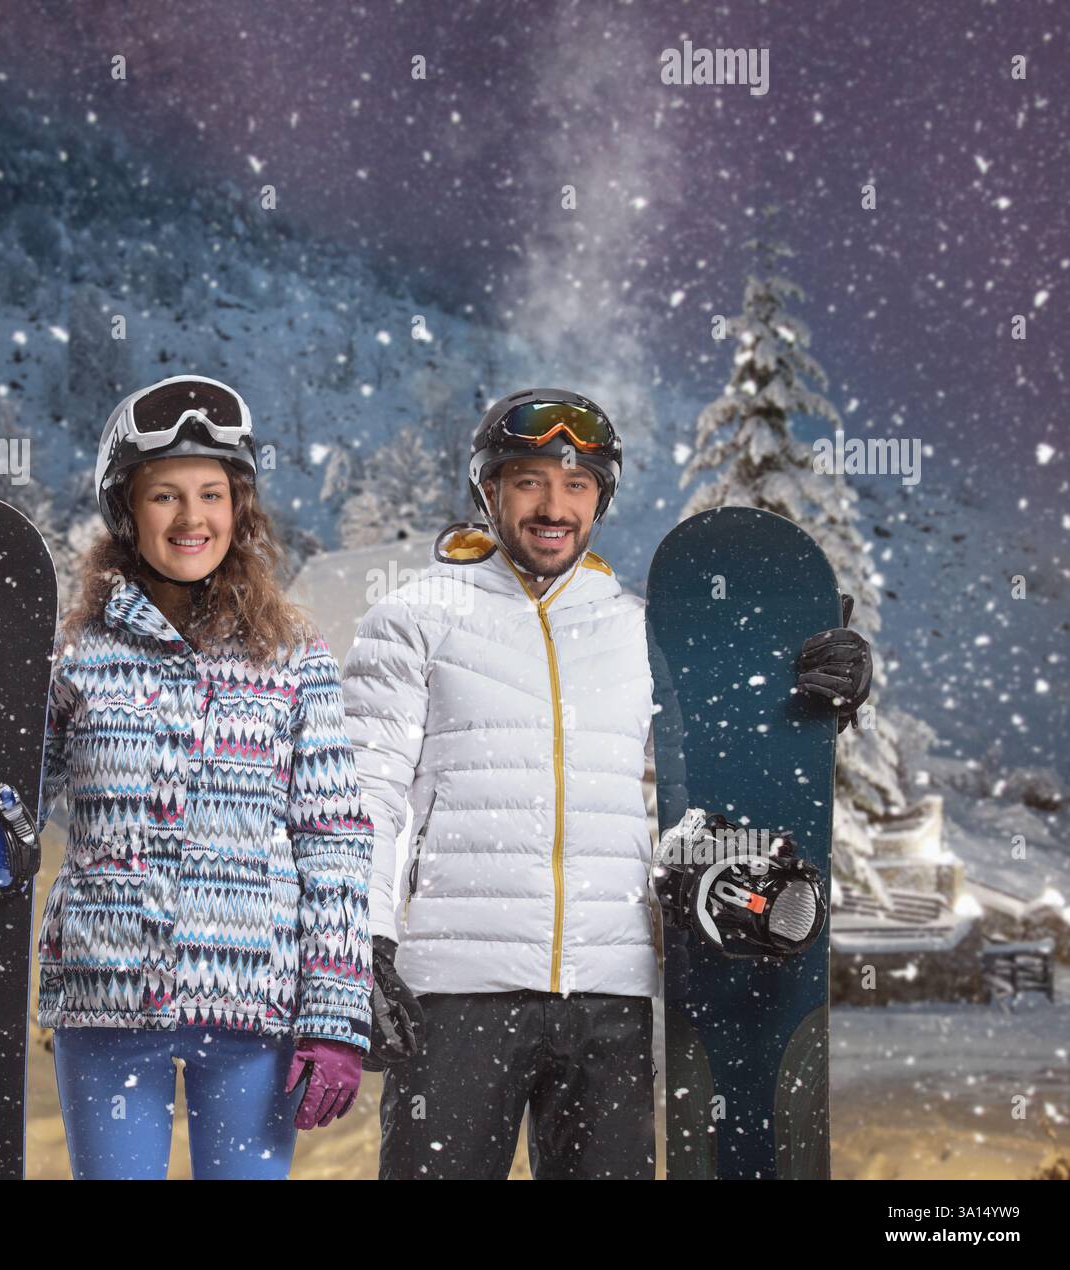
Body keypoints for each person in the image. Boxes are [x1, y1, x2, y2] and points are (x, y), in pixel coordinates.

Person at [0, 374, 374, 1179]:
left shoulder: (295, 658)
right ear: (127, 510)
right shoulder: (77, 656)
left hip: (257, 1009)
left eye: (212, 494)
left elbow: (335, 841)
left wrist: (335, 1015)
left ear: (240, 508)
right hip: (106, 999)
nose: (193, 519)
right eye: (166, 497)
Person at [341, 387, 872, 1180]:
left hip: (609, 995)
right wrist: (366, 944)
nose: (554, 504)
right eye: (529, 480)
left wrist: (815, 689)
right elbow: (366, 799)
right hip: (453, 996)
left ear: (601, 499)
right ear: (489, 490)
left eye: (577, 483)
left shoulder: (639, 630)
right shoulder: (414, 617)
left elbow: (726, 756)